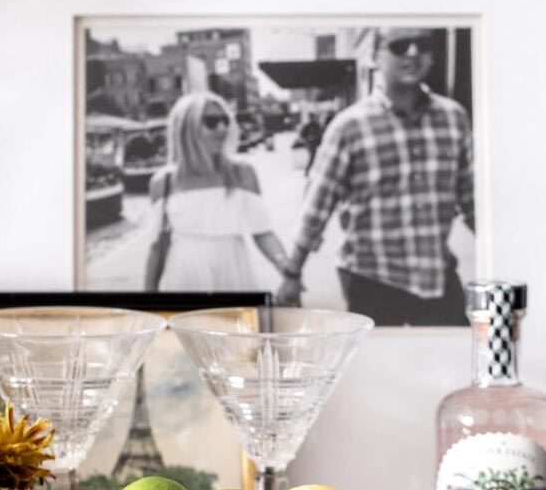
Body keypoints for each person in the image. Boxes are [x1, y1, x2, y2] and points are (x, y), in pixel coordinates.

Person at [276, 28, 475, 325]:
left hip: (437, 276)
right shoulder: (349, 126)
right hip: (371, 281)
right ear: (374, 56)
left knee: (453, 351)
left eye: (421, 44)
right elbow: (316, 207)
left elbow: (473, 200)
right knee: (378, 355)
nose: (412, 53)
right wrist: (292, 274)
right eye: (400, 45)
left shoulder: (453, 118)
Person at [143, 90, 290, 292]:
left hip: (233, 271)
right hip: (184, 276)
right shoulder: (164, 182)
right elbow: (159, 246)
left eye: (225, 121)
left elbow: (262, 231)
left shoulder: (242, 173)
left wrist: (288, 272)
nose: (222, 128)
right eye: (211, 122)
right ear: (186, 128)